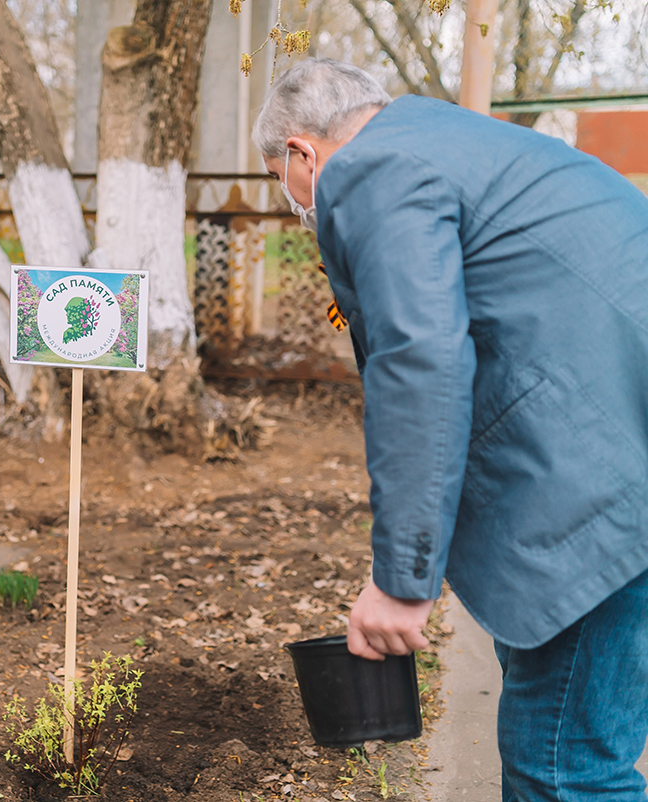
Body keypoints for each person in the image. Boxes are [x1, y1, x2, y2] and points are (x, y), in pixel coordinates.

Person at [252, 58, 648, 800]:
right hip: (624, 442)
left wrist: (403, 580)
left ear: (303, 152)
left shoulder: (370, 172)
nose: (299, 205)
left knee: (567, 766)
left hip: (599, 484)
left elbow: (421, 360)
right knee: (586, 738)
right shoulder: (454, 139)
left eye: (285, 182)